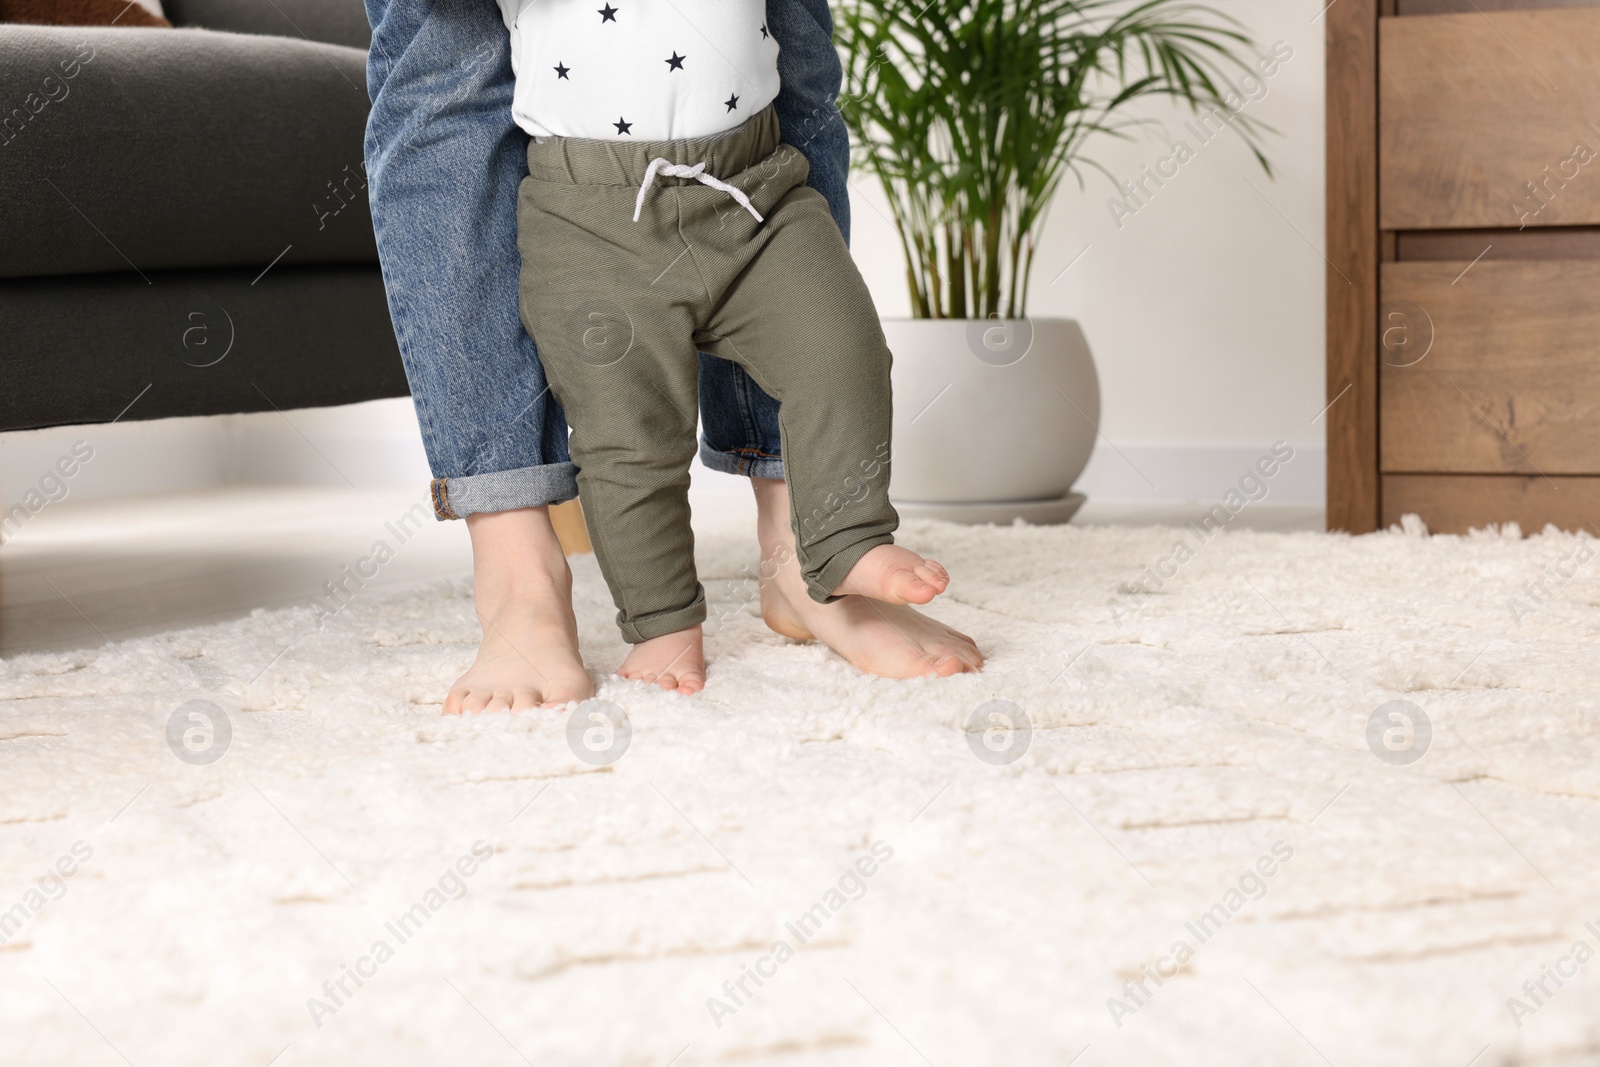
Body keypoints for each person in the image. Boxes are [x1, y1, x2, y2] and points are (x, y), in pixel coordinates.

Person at [363, 0, 983, 711]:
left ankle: (829, 546)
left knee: (841, 351)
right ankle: (614, 608)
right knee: (629, 441)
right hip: (590, 217)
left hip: (755, 187)